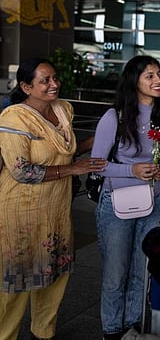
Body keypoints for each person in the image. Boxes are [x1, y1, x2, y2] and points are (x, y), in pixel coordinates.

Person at [0, 57, 107, 340]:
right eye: (45, 80)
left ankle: (43, 332)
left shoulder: (63, 110)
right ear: (26, 86)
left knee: (54, 272)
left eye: (55, 78)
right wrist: (73, 169)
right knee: (16, 280)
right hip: (21, 208)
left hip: (57, 206)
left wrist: (94, 142)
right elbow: (21, 170)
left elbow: (65, 152)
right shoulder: (14, 117)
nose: (54, 84)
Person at [91, 55, 160, 340]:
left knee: (142, 269)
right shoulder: (115, 117)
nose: (157, 80)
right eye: (149, 75)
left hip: (152, 202)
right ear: (133, 81)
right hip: (117, 202)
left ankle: (132, 326)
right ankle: (112, 331)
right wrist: (132, 169)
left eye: (158, 74)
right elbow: (96, 163)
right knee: (116, 273)